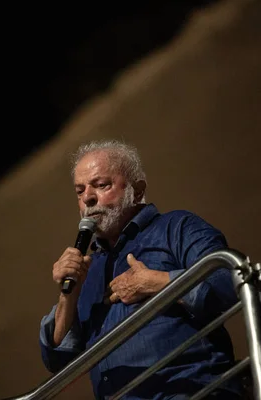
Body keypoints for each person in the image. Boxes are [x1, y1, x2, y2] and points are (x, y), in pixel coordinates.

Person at [38, 139, 244, 400]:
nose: (88, 198)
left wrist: (156, 283)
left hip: (192, 392)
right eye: (80, 191)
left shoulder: (176, 227)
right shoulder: (88, 267)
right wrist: (68, 295)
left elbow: (232, 280)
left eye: (101, 185)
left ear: (137, 190)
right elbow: (57, 359)